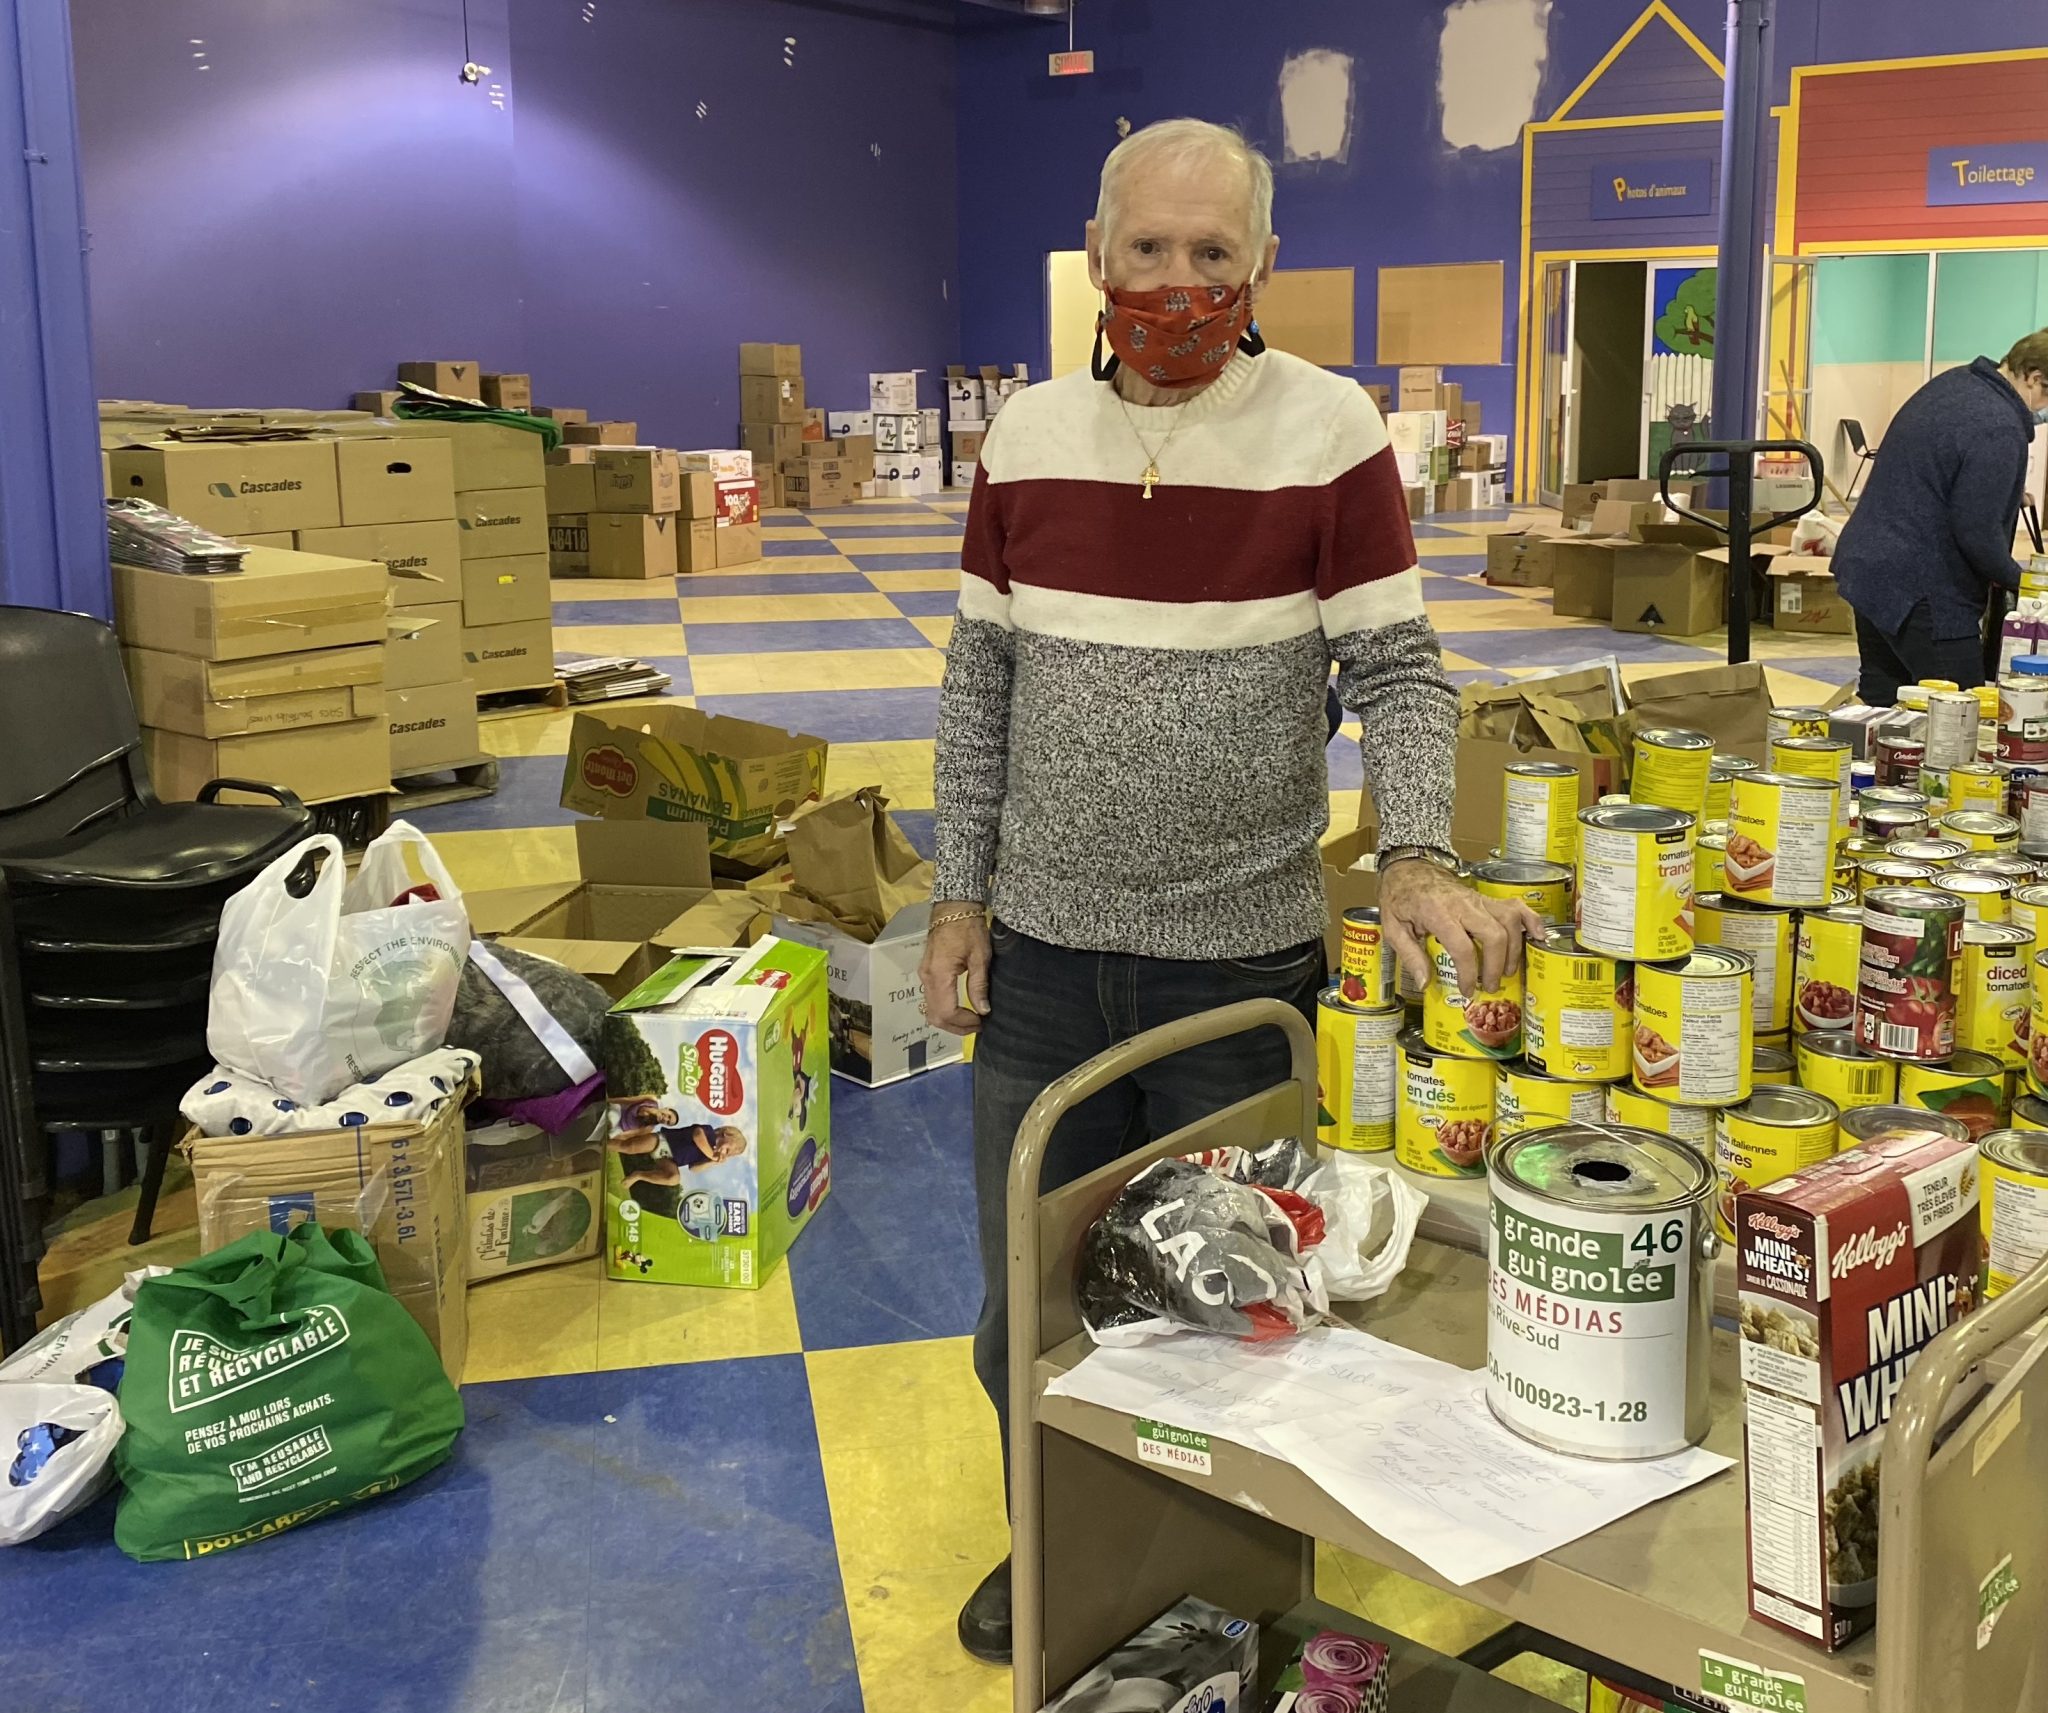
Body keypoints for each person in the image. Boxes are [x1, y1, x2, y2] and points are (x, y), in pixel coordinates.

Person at [917, 117, 1539, 1666]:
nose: (1178, 282)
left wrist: (1415, 851)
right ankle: (1058, 1547)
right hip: (1044, 965)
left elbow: (1397, 669)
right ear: (1100, 254)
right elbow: (981, 683)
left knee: (1237, 1303)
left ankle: (1223, 1577)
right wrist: (958, 896)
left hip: (1240, 973)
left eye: (1213, 252)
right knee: (1026, 1303)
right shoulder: (1027, 436)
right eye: (1149, 248)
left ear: (1263, 263)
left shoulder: (1329, 431)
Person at [1833, 331, 2047, 703]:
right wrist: (2027, 583)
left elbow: (1940, 469)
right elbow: (1977, 533)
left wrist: (2002, 493)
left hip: (1870, 568)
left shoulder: (1957, 383)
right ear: (2033, 377)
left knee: (1883, 707)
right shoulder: (1999, 426)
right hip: (1923, 587)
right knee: (1961, 711)